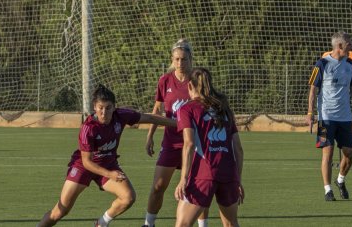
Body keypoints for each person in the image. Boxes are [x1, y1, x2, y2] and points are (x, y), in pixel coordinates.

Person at [37, 85, 175, 227]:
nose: (104, 112)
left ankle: (101, 223)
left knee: (128, 198)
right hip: (83, 167)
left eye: (108, 108)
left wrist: (178, 124)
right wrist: (110, 174)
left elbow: (150, 117)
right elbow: (87, 162)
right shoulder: (88, 128)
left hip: (108, 164)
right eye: (100, 108)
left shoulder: (121, 116)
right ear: (94, 108)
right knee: (60, 211)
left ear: (114, 107)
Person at [142, 39, 207, 227]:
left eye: (184, 59)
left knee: (198, 189)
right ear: (172, 59)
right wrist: (150, 136)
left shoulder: (197, 80)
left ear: (190, 59)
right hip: (170, 144)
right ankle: (149, 224)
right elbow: (157, 110)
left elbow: (205, 109)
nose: (180, 63)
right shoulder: (165, 80)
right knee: (158, 187)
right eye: (177, 59)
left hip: (194, 144)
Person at [173, 68, 243, 227]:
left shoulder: (187, 109)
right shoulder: (224, 110)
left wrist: (183, 179)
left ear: (190, 86)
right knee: (231, 224)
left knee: (182, 224)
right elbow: (238, 149)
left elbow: (189, 144)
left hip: (203, 174)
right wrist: (237, 180)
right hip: (228, 173)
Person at [306, 31, 352, 201]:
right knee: (327, 154)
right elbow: (313, 90)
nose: (351, 46)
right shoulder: (321, 64)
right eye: (349, 44)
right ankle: (327, 190)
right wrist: (310, 113)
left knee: (349, 153)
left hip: (344, 117)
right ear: (339, 46)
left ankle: (340, 180)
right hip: (326, 117)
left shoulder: (350, 64)